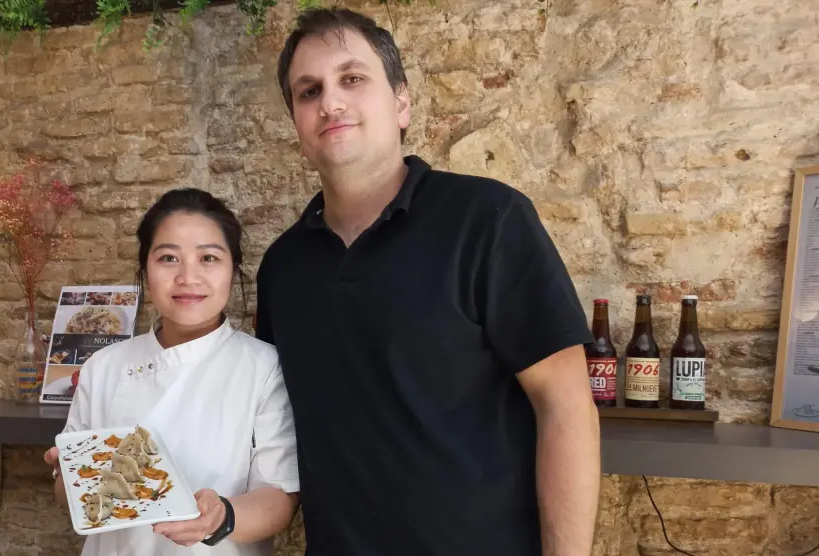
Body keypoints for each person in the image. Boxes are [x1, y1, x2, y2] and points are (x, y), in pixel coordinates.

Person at [255, 7, 600, 556]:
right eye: (309, 91)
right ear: (297, 125)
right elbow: (274, 433)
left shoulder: (488, 221)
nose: (330, 102)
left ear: (401, 103)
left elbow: (565, 406)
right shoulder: (282, 269)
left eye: (352, 78)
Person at [44, 188, 300, 555]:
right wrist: (70, 477)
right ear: (145, 270)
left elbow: (279, 496)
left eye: (208, 258)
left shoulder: (264, 367)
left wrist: (222, 517)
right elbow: (72, 501)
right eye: (168, 258)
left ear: (233, 270)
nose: (187, 277)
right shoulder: (103, 366)